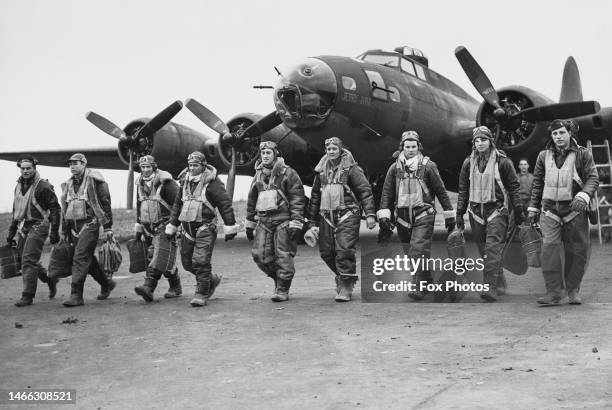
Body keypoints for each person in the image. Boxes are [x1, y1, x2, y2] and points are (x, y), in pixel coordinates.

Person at [527, 119, 599, 306]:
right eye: (554, 134)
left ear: (570, 133)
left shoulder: (583, 154)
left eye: (561, 133)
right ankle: (553, 292)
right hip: (549, 210)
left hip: (575, 210)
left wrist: (584, 194)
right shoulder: (543, 156)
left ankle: (573, 290)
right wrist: (533, 207)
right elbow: (537, 183)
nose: (558, 137)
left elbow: (592, 177)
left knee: (576, 251)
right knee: (549, 249)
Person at [377, 131, 456, 300]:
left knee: (417, 251)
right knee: (410, 252)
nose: (411, 149)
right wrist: (384, 214)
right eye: (407, 146)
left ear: (418, 147)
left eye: (413, 146)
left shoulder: (429, 166)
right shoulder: (394, 168)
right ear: (402, 147)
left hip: (424, 214)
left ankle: (417, 286)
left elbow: (441, 191)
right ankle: (426, 280)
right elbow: (386, 193)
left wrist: (450, 216)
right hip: (402, 218)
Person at [456, 126, 523, 302]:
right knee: (483, 250)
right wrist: (459, 214)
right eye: (477, 140)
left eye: (483, 140)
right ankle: (499, 279)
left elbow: (514, 187)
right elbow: (463, 189)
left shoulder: (503, 162)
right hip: (475, 212)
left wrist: (519, 210)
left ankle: (490, 287)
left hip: (497, 211)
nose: (480, 143)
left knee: (492, 248)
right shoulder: (467, 162)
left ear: (491, 141)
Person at [305, 137, 376, 302]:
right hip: (326, 215)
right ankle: (343, 276)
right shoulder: (321, 171)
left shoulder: (352, 169)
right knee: (326, 252)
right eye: (328, 149)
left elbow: (364, 191)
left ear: (341, 150)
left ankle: (346, 285)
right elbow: (315, 196)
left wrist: (370, 214)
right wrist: (311, 222)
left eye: (334, 149)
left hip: (348, 213)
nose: (331, 152)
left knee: (344, 250)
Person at [166, 151, 240, 307]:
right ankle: (211, 280)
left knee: (200, 261)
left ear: (203, 165)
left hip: (205, 227)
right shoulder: (184, 181)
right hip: (187, 229)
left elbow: (224, 204)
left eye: (195, 165)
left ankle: (201, 293)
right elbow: (177, 205)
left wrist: (230, 225)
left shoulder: (213, 183)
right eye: (190, 165)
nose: (192, 168)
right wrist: (173, 224)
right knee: (187, 263)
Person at [245, 141, 306, 302]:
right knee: (260, 255)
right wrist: (249, 221)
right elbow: (252, 199)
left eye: (268, 153)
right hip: (264, 221)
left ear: (275, 154)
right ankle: (278, 279)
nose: (265, 156)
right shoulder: (258, 175)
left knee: (283, 256)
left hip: (283, 221)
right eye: (263, 153)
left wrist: (296, 221)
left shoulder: (288, 173)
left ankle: (283, 289)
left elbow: (297, 198)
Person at [59, 153, 116, 307]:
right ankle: (107, 283)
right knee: (87, 259)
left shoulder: (97, 181)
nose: (72, 166)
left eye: (75, 163)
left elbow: (105, 204)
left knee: (80, 257)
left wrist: (108, 228)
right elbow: (65, 209)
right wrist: (64, 231)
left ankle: (76, 295)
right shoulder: (68, 184)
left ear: (84, 164)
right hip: (73, 227)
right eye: (70, 164)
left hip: (90, 225)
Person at [7, 155, 61, 307]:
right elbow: (15, 210)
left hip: (39, 225)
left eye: (28, 168)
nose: (25, 171)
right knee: (28, 258)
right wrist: (11, 233)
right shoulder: (18, 186)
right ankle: (50, 280)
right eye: (22, 168)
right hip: (24, 226)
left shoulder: (43, 186)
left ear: (34, 168)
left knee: (28, 260)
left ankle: (27, 295)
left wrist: (55, 231)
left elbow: (55, 209)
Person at [133, 155, 182, 302]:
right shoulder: (140, 183)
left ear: (154, 167)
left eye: (148, 167)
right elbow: (139, 205)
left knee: (158, 255)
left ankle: (148, 287)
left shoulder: (167, 183)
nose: (146, 170)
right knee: (161, 257)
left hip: (165, 225)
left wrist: (174, 225)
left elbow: (178, 204)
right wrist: (139, 226)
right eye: (143, 167)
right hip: (148, 227)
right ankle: (176, 286)